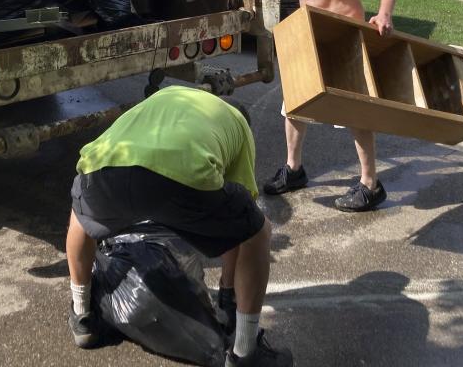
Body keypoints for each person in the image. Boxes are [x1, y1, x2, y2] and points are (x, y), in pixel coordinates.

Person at [66, 84, 293, 367]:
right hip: (182, 178)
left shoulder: (169, 94)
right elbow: (241, 224)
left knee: (79, 215)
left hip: (100, 167)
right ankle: (245, 353)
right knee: (258, 233)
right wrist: (226, 293)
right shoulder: (238, 125)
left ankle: (82, 315)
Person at [198, 0, 398, 212]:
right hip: (308, 34)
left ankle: (370, 184)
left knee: (354, 112)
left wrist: (385, 13)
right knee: (294, 104)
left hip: (342, 38)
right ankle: (293, 170)